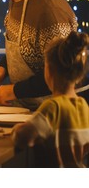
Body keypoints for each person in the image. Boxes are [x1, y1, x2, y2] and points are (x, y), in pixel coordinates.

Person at [12, 31, 89, 167]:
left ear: (49, 71)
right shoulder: (83, 106)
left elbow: (22, 138)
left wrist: (17, 128)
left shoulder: (53, 107)